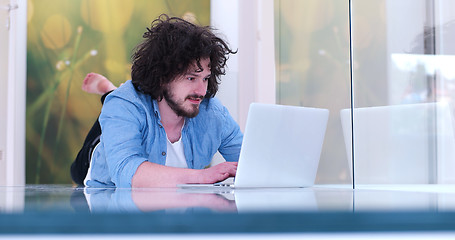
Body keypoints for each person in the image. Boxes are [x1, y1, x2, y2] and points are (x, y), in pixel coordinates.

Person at [70, 14, 243, 188]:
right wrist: (202, 176)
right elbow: (125, 171)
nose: (201, 91)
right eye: (191, 78)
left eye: (205, 78)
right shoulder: (124, 105)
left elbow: (250, 162)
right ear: (162, 77)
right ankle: (109, 92)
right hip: (99, 170)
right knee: (80, 166)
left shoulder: (213, 113)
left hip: (167, 208)